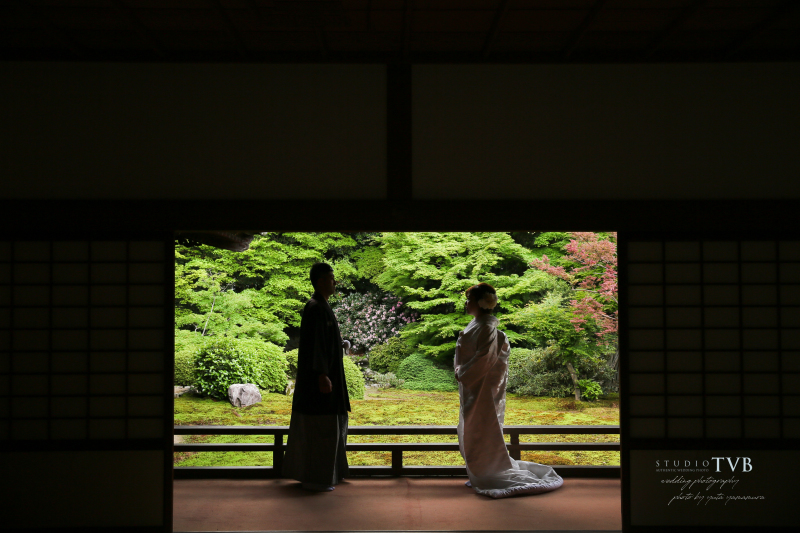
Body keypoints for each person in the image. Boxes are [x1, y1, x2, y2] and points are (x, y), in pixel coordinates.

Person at [455, 282, 564, 498]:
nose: (466, 304)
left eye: (469, 300)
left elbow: (484, 358)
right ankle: (481, 472)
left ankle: (488, 472)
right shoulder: (478, 324)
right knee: (473, 428)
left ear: (479, 303)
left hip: (480, 388)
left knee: (480, 429)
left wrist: (462, 373)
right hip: (472, 386)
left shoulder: (486, 327)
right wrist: (462, 372)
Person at [282, 262, 351, 491]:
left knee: (328, 427)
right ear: (321, 281)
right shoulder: (315, 307)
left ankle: (326, 475)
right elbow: (314, 346)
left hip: (326, 376)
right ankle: (316, 477)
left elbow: (324, 340)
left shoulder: (321, 306)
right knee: (320, 429)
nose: (335, 281)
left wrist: (339, 344)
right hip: (319, 380)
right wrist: (322, 374)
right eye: (332, 278)